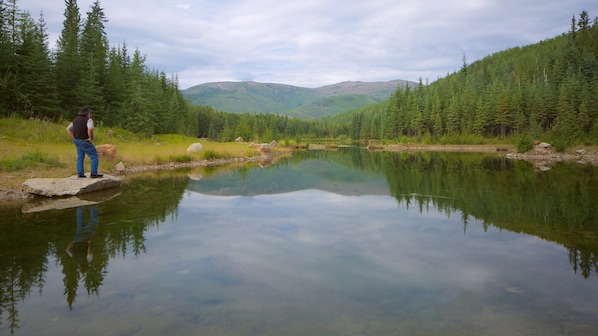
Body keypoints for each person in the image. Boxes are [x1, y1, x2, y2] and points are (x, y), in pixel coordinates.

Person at [66, 107, 103, 178]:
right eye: (89, 113)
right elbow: (90, 129)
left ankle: (80, 173)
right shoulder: (88, 120)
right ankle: (94, 173)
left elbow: (68, 129)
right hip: (84, 140)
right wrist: (90, 138)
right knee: (94, 156)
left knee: (80, 156)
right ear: (87, 113)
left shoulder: (75, 120)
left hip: (77, 140)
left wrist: (74, 137)